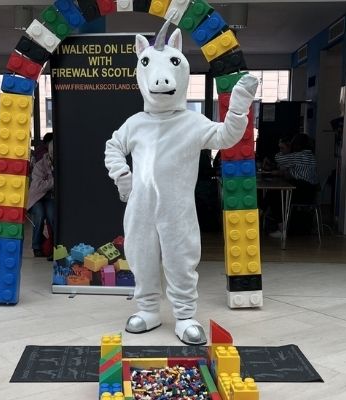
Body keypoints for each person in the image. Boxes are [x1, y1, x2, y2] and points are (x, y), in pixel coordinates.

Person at [105, 21, 258, 345]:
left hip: (177, 208)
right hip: (140, 208)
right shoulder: (135, 124)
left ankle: (185, 314)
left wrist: (239, 106)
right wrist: (122, 176)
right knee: (141, 257)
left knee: (181, 259)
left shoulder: (191, 122)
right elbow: (113, 147)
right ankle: (147, 310)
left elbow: (225, 136)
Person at [265, 133, 319, 238]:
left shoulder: (299, 156)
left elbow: (278, 158)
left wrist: (286, 151)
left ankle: (282, 229)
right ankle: (263, 212)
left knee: (274, 195)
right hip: (310, 192)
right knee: (274, 194)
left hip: (301, 191)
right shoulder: (311, 156)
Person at [26, 133, 55, 259]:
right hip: (37, 197)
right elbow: (38, 186)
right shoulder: (40, 164)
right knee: (39, 215)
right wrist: (54, 182)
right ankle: (36, 246)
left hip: (50, 197)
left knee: (52, 216)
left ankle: (56, 246)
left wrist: (47, 183)